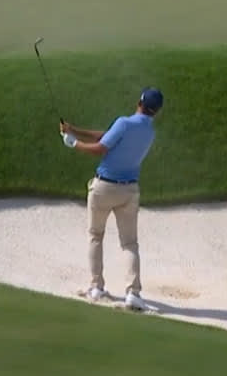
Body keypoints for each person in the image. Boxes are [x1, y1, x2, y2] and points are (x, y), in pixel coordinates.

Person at [59, 87, 164, 311]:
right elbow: (106, 136)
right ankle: (133, 293)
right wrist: (73, 130)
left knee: (95, 236)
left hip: (104, 188)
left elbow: (100, 148)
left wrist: (73, 143)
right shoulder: (149, 132)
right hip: (129, 191)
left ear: (139, 102)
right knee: (130, 243)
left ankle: (96, 287)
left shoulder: (124, 123)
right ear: (156, 111)